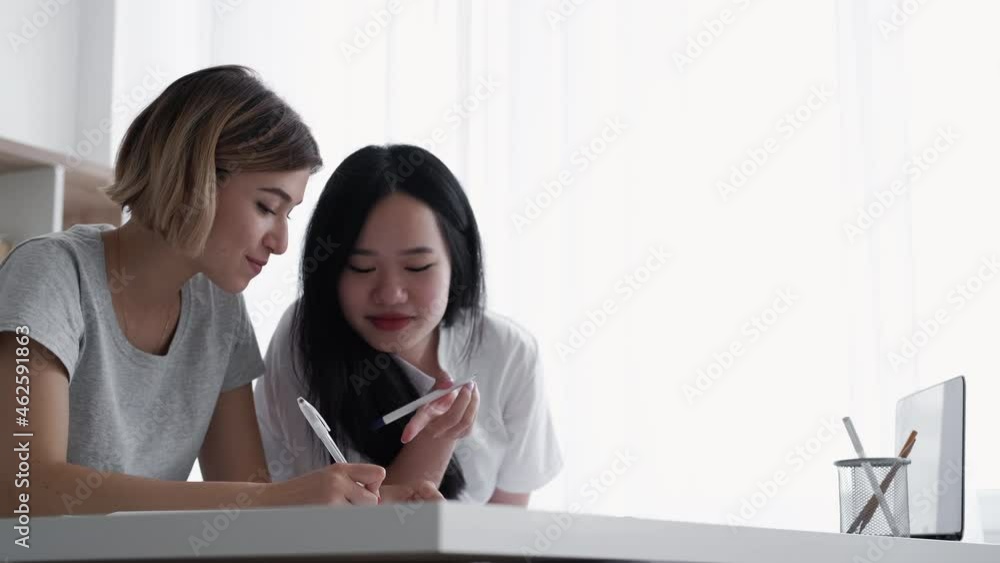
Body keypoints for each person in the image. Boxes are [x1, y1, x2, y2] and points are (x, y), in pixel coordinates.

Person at [1, 66, 439, 516]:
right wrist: (277, 498)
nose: (281, 242)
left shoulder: (219, 307)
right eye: (267, 206)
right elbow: (23, 488)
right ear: (196, 178)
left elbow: (246, 497)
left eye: (288, 215)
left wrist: (366, 503)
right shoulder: (50, 274)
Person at [255, 144, 563, 504]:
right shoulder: (305, 337)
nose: (390, 294)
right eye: (361, 268)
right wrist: (435, 440)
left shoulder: (508, 352)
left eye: (417, 268)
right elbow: (355, 539)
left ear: (457, 261)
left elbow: (506, 534)